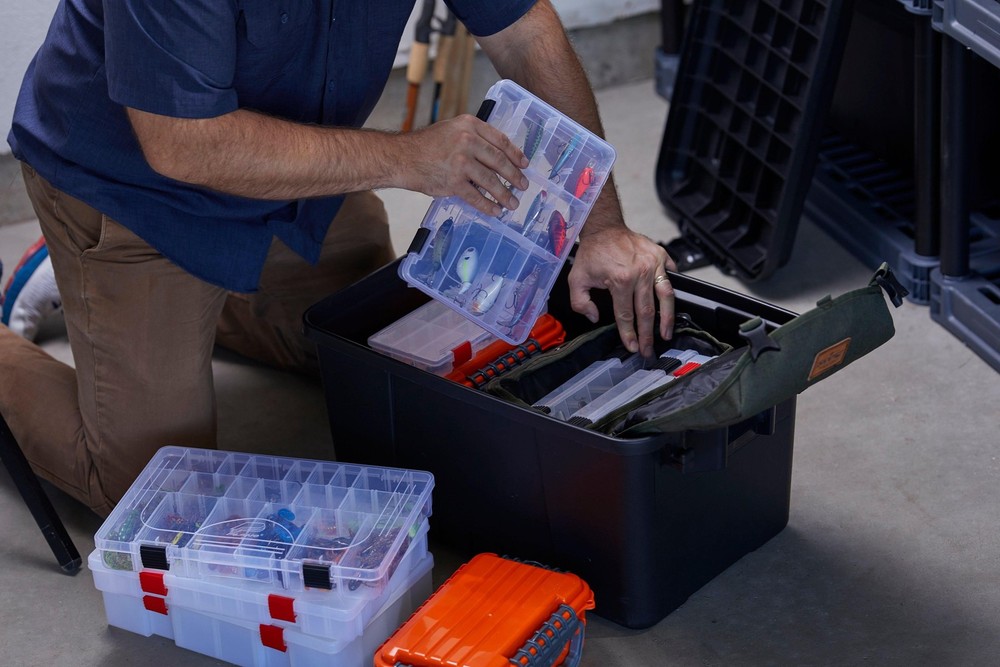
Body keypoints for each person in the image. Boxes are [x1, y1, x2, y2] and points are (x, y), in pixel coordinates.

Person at [1, 0, 676, 516]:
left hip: (295, 166)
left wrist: (602, 223)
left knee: (382, 357)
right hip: (136, 191)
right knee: (158, 494)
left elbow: (524, 29)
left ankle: (178, 301)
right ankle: (96, 272)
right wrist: (410, 159)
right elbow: (184, 145)